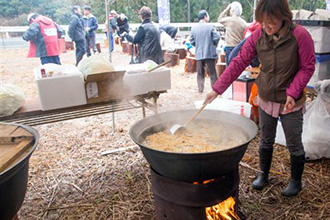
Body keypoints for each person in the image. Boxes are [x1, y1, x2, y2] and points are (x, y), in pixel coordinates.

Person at [204, 0, 315, 197]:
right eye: (263, 22)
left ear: (284, 16)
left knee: (294, 142)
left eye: (271, 22)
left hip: (290, 99)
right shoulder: (258, 36)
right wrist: (217, 89)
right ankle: (263, 174)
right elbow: (239, 62)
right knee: (265, 139)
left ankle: (296, 181)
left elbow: (307, 67)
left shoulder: (300, 36)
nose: (267, 26)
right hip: (265, 96)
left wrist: (293, 92)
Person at [190, 10, 220, 93]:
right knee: (212, 72)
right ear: (205, 17)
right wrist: (213, 44)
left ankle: (200, 89)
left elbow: (191, 41)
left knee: (200, 72)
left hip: (199, 53)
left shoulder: (194, 28)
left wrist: (198, 46)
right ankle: (215, 90)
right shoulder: (210, 26)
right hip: (210, 52)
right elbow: (217, 37)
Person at [218, 2, 247, 66]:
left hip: (230, 47)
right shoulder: (244, 23)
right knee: (238, 66)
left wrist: (226, 9)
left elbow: (220, 19)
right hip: (239, 47)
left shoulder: (229, 20)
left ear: (232, 10)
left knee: (229, 67)